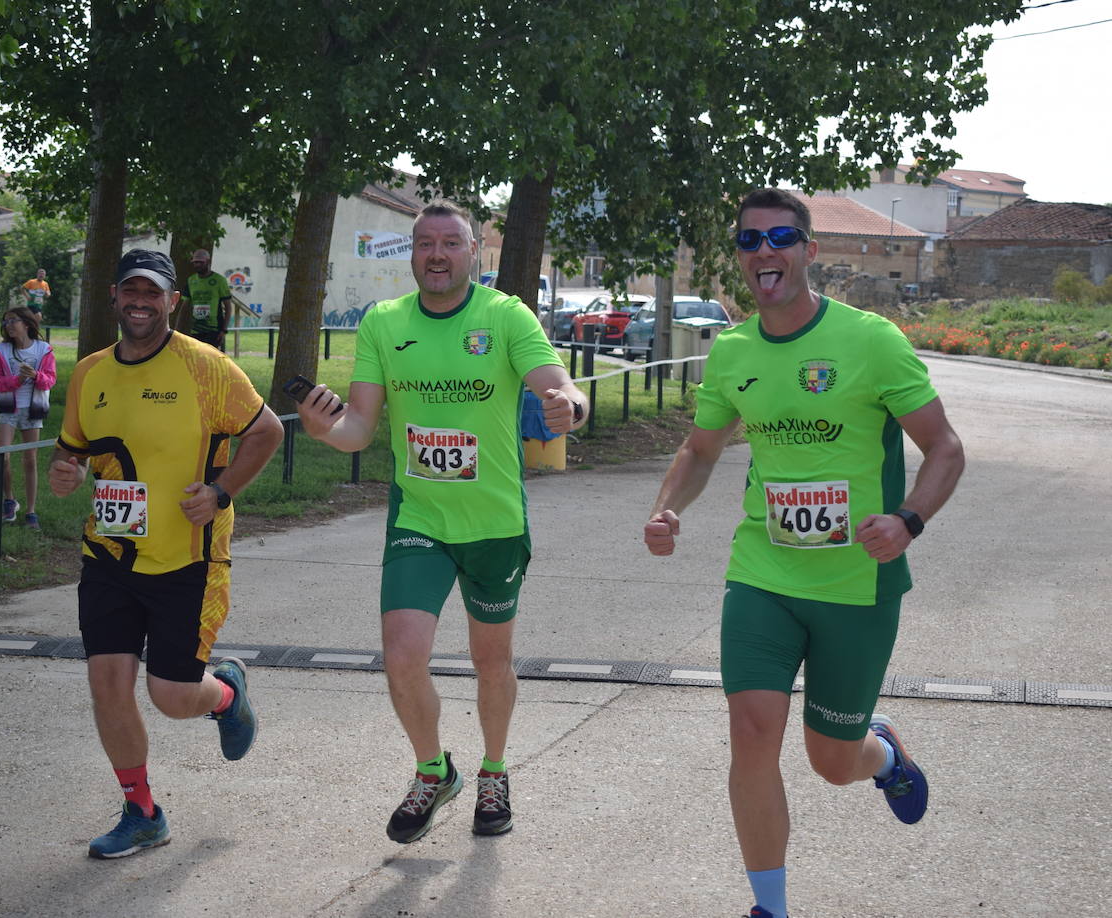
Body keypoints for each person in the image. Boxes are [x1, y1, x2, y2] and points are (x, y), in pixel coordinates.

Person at [641, 188, 966, 918]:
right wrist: (666, 508)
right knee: (752, 734)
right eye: (749, 240)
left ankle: (882, 753)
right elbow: (700, 450)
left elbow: (945, 448)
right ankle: (771, 908)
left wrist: (908, 520)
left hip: (857, 585)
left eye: (781, 237)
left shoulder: (871, 341)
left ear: (809, 250)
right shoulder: (733, 352)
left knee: (833, 761)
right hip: (763, 573)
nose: (765, 251)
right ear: (740, 257)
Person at [296, 200, 588, 844]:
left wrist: (570, 405)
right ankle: (434, 771)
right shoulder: (384, 322)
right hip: (419, 518)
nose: (436, 254)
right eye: (425, 243)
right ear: (412, 253)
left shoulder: (505, 316)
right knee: (402, 656)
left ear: (473, 252)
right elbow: (358, 428)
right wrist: (323, 429)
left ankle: (494, 771)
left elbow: (562, 387)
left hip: (493, 522)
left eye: (450, 243)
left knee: (492, 661)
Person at [47, 248, 283, 859]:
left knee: (172, 698)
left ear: (173, 301)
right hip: (109, 555)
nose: (140, 303)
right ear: (114, 296)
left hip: (188, 560)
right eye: (131, 291)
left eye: (152, 293)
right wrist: (66, 472)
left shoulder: (207, 368)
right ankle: (142, 812)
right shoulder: (90, 373)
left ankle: (225, 692)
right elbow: (72, 450)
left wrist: (221, 492)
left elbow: (268, 431)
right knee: (108, 685)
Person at [0, 307, 57, 530]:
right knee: (3, 457)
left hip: (32, 410)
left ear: (26, 324)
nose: (8, 325)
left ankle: (31, 511)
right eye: (6, 321)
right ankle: (9, 500)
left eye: (13, 321)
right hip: (8, 409)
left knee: (30, 460)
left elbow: (50, 380)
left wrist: (36, 375)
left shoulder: (43, 350)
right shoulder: (1, 350)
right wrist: (17, 380)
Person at [185, 249, 232, 349]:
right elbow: (185, 306)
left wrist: (224, 330)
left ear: (208, 261)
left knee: (211, 356)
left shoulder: (219, 280)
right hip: (195, 330)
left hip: (214, 329)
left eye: (201, 262)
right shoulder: (191, 280)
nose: (197, 265)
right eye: (195, 262)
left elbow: (228, 307)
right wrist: (178, 327)